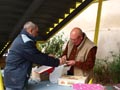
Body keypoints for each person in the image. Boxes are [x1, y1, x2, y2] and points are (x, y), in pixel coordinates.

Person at [4, 21, 66, 90]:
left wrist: (47, 55)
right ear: (31, 30)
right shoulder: (25, 42)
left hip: (15, 77)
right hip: (15, 80)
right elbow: (38, 58)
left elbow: (34, 54)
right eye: (36, 32)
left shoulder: (22, 38)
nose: (37, 34)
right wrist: (57, 62)